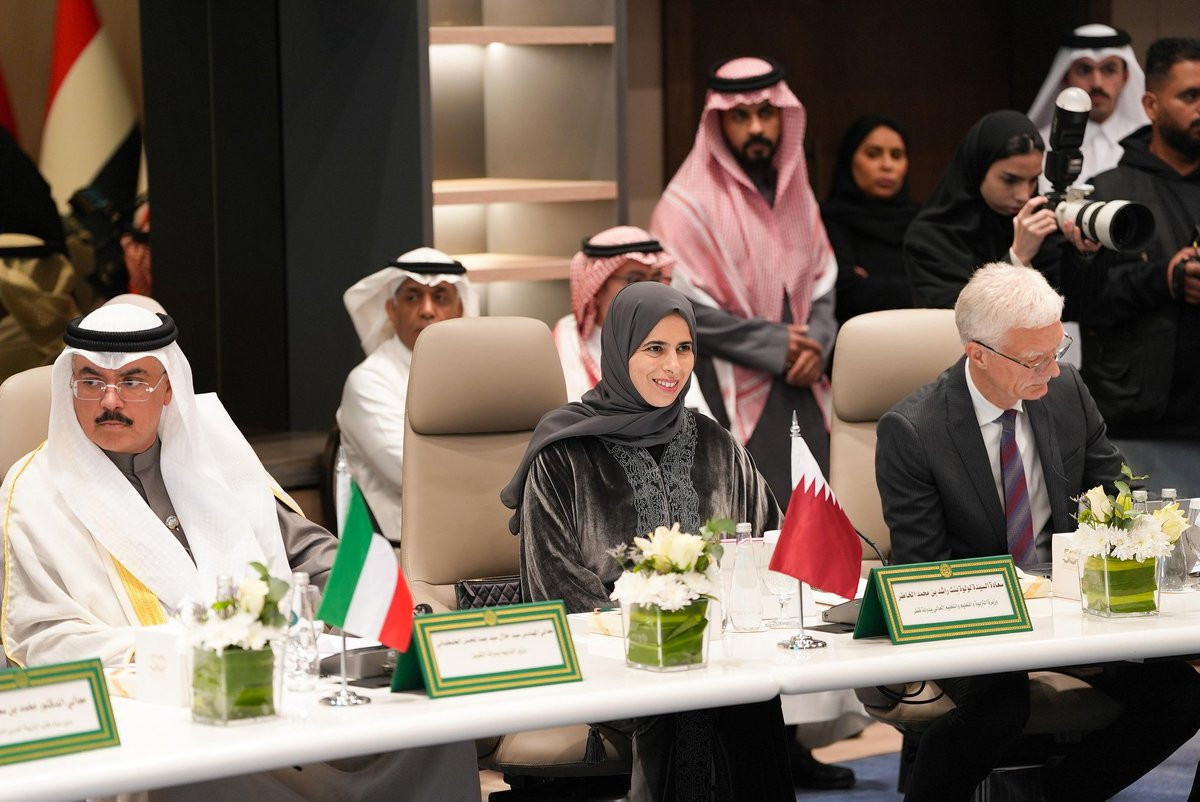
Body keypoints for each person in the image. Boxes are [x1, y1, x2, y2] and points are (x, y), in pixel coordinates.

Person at [0, 303, 479, 801]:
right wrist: (178, 653)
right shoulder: (34, 493)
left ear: (169, 388)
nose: (110, 400)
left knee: (435, 733)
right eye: (91, 381)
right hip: (158, 710)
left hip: (280, 685)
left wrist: (386, 606)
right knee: (214, 771)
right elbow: (39, 641)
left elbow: (308, 553)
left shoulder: (214, 455)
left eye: (134, 380)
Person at [875, 262, 1200, 802]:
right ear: (978, 353)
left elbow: (1117, 496)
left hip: (1073, 613)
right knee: (1000, 708)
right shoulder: (913, 431)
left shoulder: (1066, 390)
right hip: (978, 621)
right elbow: (924, 569)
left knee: (1183, 694)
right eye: (1034, 360)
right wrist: (1029, 610)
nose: (1051, 371)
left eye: (1057, 350)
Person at [650, 56, 836, 505]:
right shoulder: (685, 205)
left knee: (824, 512)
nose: (756, 128)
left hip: (804, 378)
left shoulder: (795, 191)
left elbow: (823, 278)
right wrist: (774, 344)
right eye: (740, 117)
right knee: (759, 513)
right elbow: (679, 308)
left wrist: (817, 344)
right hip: (730, 382)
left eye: (766, 113)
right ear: (718, 123)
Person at [1063, 38, 1200, 451]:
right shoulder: (1110, 192)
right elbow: (1080, 301)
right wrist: (1164, 278)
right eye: (1190, 96)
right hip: (1133, 419)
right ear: (1151, 105)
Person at [336, 247, 476, 543]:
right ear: (392, 310)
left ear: (460, 309)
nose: (427, 310)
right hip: (400, 554)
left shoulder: (479, 373)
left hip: (475, 538)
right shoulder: (369, 381)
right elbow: (411, 474)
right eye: (413, 297)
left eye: (440, 297)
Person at [903, 110, 1097, 310]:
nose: (1024, 195)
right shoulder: (929, 239)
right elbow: (956, 320)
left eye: (1033, 180)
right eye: (1010, 180)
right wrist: (1017, 258)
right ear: (978, 168)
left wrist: (1082, 256)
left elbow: (1073, 306)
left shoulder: (1039, 224)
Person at [553, 225, 712, 416]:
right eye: (633, 280)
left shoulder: (670, 338)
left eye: (655, 278)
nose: (646, 289)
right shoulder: (565, 341)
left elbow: (697, 417)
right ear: (598, 287)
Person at [821, 115, 919, 325]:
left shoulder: (923, 222)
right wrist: (914, 287)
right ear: (850, 159)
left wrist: (870, 285)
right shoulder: (829, 219)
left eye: (896, 155)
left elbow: (944, 290)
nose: (887, 165)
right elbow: (846, 295)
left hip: (923, 337)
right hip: (853, 340)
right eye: (873, 154)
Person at [1027, 24, 1148, 193]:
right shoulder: (1040, 145)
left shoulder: (1146, 143)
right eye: (1084, 70)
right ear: (1065, 78)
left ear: (1125, 77)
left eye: (1109, 70)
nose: (1097, 83)